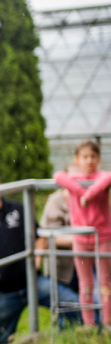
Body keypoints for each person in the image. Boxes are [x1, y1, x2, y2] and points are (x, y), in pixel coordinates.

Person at [0, 169, 80, 344]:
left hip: (34, 281)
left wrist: (37, 258)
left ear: (0, 186)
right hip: (3, 291)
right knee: (2, 339)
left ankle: (72, 338)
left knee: (76, 307)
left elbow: (39, 236)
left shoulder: (18, 208)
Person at [54, 140, 111, 327]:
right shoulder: (74, 179)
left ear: (99, 158)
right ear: (77, 159)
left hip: (102, 236)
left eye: (93, 156)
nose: (89, 160)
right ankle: (89, 324)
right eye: (85, 156)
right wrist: (80, 191)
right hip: (80, 237)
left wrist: (89, 194)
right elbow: (58, 175)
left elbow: (108, 176)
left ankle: (108, 323)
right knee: (85, 282)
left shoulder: (101, 177)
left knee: (105, 281)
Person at [37, 164, 81, 293]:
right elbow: (49, 237)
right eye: (72, 178)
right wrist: (82, 239)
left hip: (86, 260)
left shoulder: (87, 199)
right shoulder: (55, 202)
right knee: (66, 303)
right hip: (63, 265)